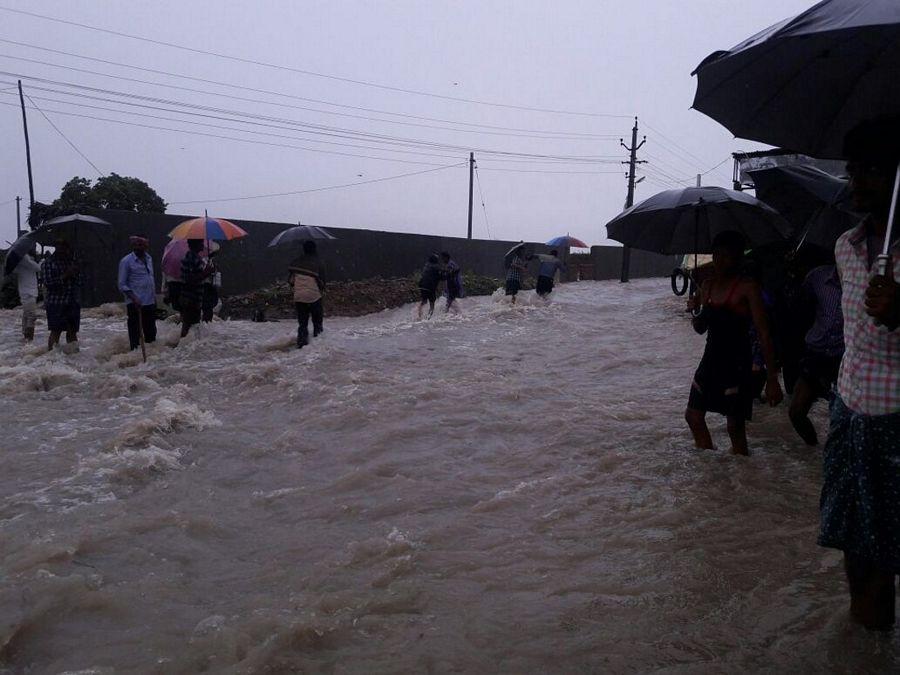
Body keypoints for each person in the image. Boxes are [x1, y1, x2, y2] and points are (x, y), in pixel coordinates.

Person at [818, 119, 900, 631]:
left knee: (889, 553)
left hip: (896, 419)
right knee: (852, 541)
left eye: (871, 170)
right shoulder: (845, 247)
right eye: (853, 171)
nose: (857, 182)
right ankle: (863, 647)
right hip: (848, 412)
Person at [685, 230, 783, 455]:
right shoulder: (707, 285)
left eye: (726, 256)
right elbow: (700, 329)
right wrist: (695, 309)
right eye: (716, 255)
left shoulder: (748, 288)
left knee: (735, 428)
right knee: (693, 417)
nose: (719, 261)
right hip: (709, 361)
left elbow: (764, 334)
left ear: (738, 258)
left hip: (737, 364)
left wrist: (772, 379)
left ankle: (741, 471)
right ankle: (712, 466)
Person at [788, 262, 844, 446]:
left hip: (845, 357)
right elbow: (799, 307)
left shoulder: (866, 279)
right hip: (816, 353)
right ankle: (812, 451)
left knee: (841, 418)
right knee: (796, 412)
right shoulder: (817, 276)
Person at [117, 235, 157, 351]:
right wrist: (134, 298)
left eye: (142, 244)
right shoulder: (126, 261)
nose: (140, 246)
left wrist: (154, 298)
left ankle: (151, 357)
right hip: (135, 304)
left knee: (151, 335)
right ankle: (135, 356)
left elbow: (150, 280)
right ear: (133, 245)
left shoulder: (149, 258)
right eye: (137, 244)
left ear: (146, 245)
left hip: (149, 302)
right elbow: (122, 284)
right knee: (135, 336)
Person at [41, 239, 82, 351]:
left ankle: (75, 357)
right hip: (56, 303)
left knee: (72, 332)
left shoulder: (71, 262)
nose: (62, 248)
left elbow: (79, 282)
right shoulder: (48, 263)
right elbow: (49, 283)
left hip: (72, 301)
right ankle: (52, 357)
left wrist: (76, 273)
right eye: (60, 245)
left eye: (65, 245)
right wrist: (66, 275)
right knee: (56, 331)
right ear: (55, 246)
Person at [289, 240, 325, 348]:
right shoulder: (318, 263)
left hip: (299, 297)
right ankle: (319, 346)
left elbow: (291, 281)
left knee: (302, 323)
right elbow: (322, 283)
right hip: (314, 296)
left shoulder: (295, 263)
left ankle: (301, 344)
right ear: (314, 250)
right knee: (317, 323)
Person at [180, 239, 215, 338]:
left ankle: (187, 344)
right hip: (191, 298)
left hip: (194, 297)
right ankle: (184, 345)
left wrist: (207, 271)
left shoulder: (195, 257)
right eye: (201, 243)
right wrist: (206, 272)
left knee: (192, 325)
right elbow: (190, 279)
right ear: (196, 244)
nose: (203, 245)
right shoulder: (192, 258)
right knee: (189, 325)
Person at [13, 243, 40, 342]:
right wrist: (34, 260)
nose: (34, 249)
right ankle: (29, 339)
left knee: (26, 315)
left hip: (26, 292)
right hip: (29, 293)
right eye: (33, 247)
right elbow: (38, 268)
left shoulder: (22, 261)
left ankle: (25, 339)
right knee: (32, 316)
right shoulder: (25, 260)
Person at [418, 254, 442, 319]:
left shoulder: (426, 266)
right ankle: (428, 318)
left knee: (424, 301)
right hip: (430, 287)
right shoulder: (436, 267)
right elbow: (441, 277)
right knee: (432, 303)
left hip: (422, 286)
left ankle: (419, 314)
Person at [201, 249, 222, 323]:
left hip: (211, 285)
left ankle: (207, 323)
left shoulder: (212, 262)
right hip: (205, 286)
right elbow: (201, 274)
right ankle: (206, 322)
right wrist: (208, 271)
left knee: (211, 305)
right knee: (207, 307)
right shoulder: (203, 261)